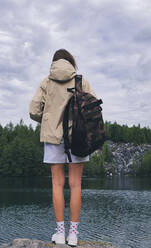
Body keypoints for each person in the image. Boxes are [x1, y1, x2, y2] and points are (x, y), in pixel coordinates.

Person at [29, 49, 97, 246]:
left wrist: (49, 119)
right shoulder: (81, 81)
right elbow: (93, 107)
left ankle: (60, 234)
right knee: (76, 185)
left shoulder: (46, 81)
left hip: (53, 138)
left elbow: (33, 110)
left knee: (57, 184)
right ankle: (73, 235)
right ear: (71, 62)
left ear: (54, 62)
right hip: (78, 137)